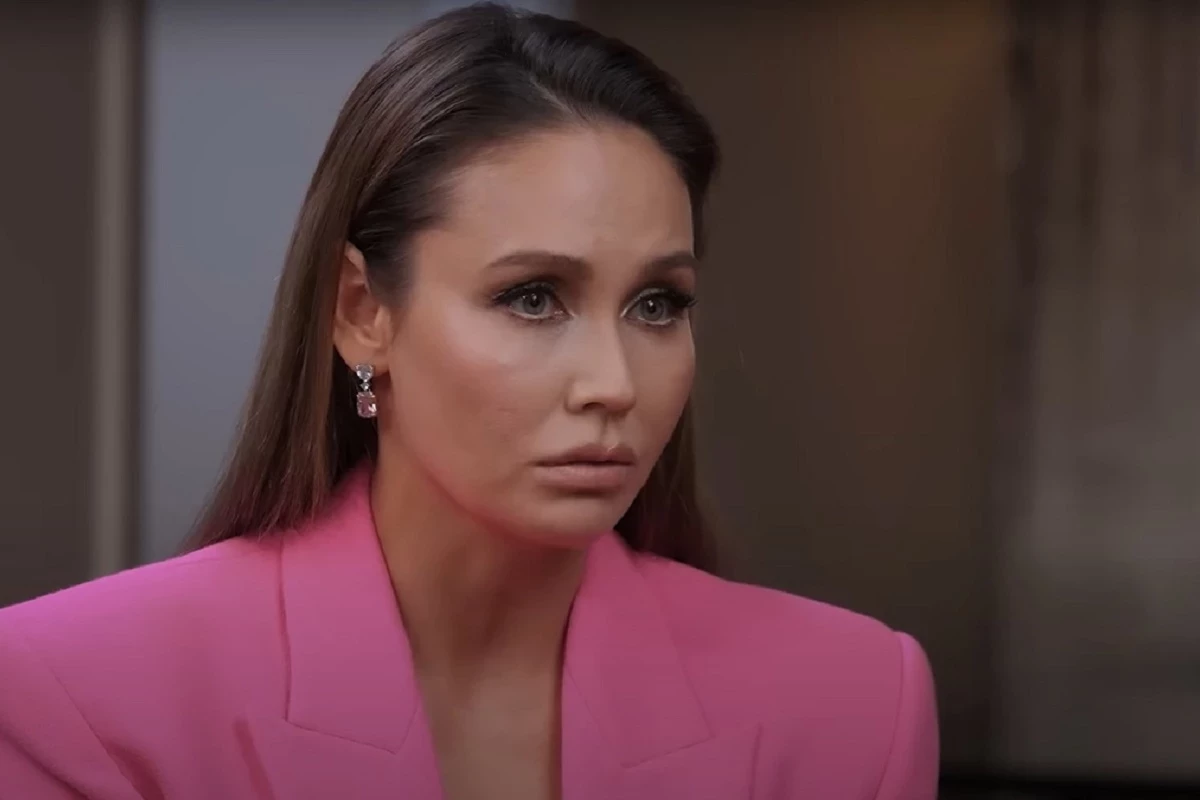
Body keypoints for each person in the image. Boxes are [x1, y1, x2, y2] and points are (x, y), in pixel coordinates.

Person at [0, 4, 938, 798]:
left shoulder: (855, 708)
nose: (614, 383)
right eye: (532, 297)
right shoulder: (74, 697)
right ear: (362, 312)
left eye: (658, 304)